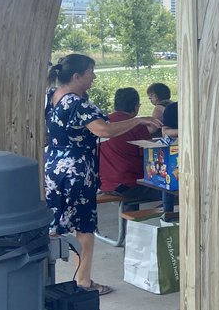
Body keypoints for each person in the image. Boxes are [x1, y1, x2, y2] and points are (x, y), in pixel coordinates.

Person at [46, 54, 160, 295]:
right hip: (77, 170)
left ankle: (51, 278)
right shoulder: (77, 103)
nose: (94, 77)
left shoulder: (52, 97)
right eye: (90, 73)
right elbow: (103, 130)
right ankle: (84, 281)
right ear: (77, 76)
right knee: (84, 226)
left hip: (55, 166)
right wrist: (138, 120)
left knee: (58, 224)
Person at [98, 87, 161, 206]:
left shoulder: (101, 124)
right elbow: (149, 157)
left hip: (105, 184)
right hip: (131, 185)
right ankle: (168, 220)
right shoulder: (137, 125)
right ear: (136, 106)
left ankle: (129, 222)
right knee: (171, 190)